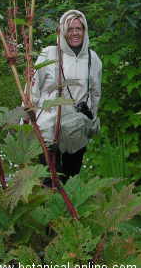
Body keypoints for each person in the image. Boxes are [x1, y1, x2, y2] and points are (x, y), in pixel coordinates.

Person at [29, 10, 102, 184]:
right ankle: (49, 209)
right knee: (50, 181)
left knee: (71, 179)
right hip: (49, 127)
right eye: (70, 29)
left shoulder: (93, 59)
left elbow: (95, 93)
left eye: (79, 28)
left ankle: (70, 211)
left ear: (84, 31)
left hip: (76, 129)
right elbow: (33, 87)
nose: (75, 33)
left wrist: (90, 118)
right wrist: (28, 118)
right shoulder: (49, 54)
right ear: (62, 31)